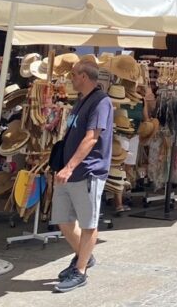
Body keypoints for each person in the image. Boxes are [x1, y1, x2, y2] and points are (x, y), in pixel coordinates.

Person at [51, 60, 113, 292]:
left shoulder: (101, 102)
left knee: (88, 223)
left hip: (88, 170)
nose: (71, 78)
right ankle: (83, 257)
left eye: (74, 75)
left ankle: (80, 271)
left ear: (84, 77)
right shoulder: (81, 101)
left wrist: (70, 167)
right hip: (69, 170)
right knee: (63, 219)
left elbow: (91, 138)